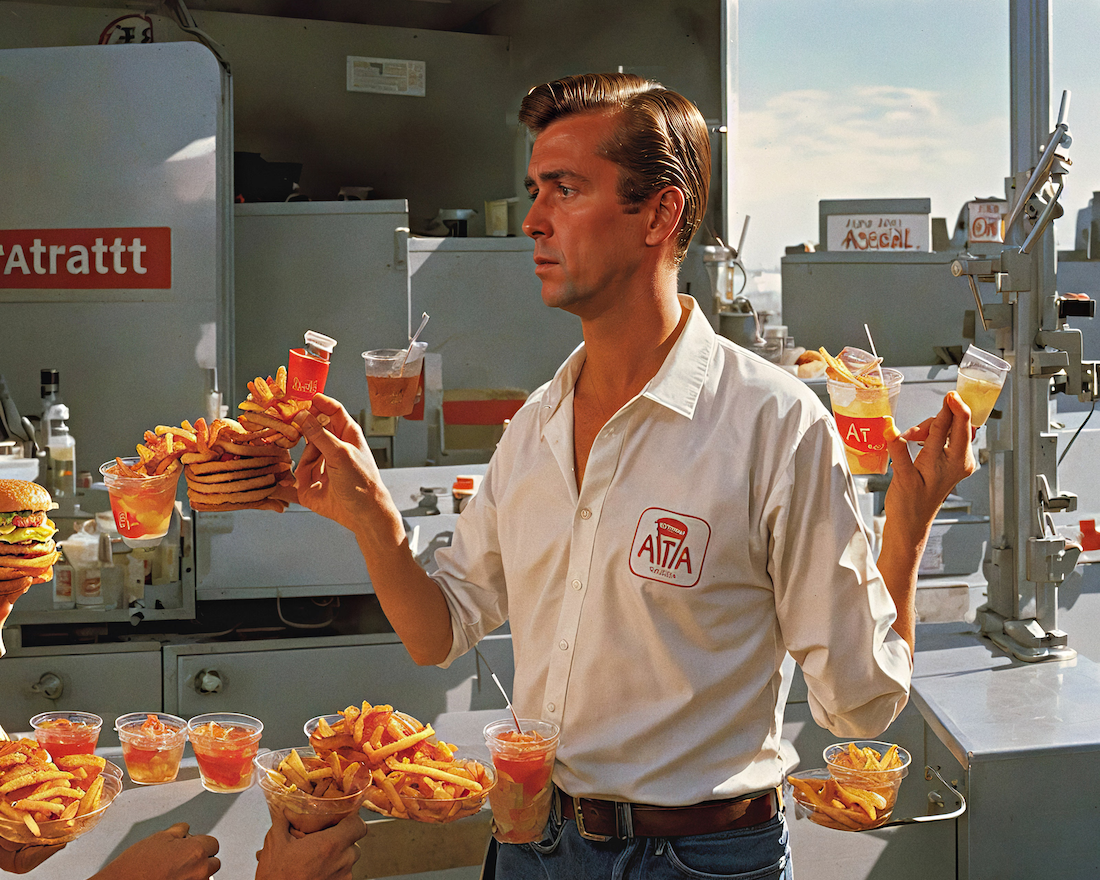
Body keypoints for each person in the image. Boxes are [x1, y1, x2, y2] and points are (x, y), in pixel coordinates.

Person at [292, 71, 975, 878]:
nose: (536, 221)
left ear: (661, 213)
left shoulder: (773, 425)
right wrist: (373, 517)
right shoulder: (535, 427)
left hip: (703, 857)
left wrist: (906, 524)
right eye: (536, 190)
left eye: (567, 189)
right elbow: (439, 633)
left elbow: (859, 704)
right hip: (534, 846)